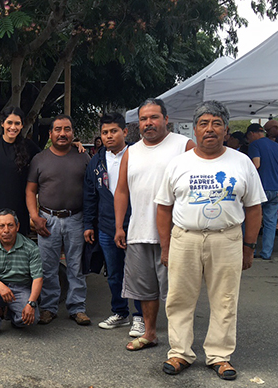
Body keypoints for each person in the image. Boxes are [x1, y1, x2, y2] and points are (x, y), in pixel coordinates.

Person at [156, 101, 265, 380]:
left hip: (226, 238)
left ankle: (219, 356)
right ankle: (180, 352)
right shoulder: (179, 163)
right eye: (204, 123)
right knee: (179, 298)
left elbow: (254, 208)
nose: (210, 129)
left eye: (216, 123)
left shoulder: (241, 162)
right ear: (194, 129)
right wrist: (166, 246)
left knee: (225, 300)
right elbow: (163, 208)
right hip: (185, 238)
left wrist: (249, 246)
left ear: (226, 130)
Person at [114, 98, 195, 351]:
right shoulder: (131, 151)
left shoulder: (184, 146)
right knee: (145, 290)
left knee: (177, 292)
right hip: (138, 233)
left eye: (154, 117)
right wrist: (119, 226)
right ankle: (150, 333)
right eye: (143, 119)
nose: (148, 123)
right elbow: (121, 191)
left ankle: (180, 342)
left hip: (175, 234)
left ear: (166, 119)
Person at [26, 114, 91, 325]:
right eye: (58, 129)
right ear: (50, 133)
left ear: (73, 132)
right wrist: (34, 216)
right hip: (48, 219)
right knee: (48, 267)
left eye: (67, 129)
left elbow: (91, 190)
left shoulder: (83, 156)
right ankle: (48, 307)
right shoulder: (40, 159)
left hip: (76, 218)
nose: (63, 134)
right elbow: (30, 190)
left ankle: (77, 307)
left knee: (76, 266)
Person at [83, 112, 144, 336]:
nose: (109, 136)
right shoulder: (97, 161)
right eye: (105, 132)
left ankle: (140, 317)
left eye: (114, 131)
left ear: (125, 132)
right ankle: (120, 312)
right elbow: (90, 195)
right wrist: (89, 224)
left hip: (136, 224)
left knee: (136, 273)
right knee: (115, 273)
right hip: (107, 227)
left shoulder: (139, 155)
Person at [0, 209, 43, 341]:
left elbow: (38, 278)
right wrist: (0, 286)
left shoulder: (30, 247)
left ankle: (12, 315)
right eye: (1, 226)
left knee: (31, 320)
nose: (6, 230)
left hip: (20, 289)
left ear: (17, 227)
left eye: (10, 225)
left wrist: (31, 303)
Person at [0, 107, 41, 237]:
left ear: (22, 125)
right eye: (9, 123)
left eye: (17, 123)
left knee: (17, 254)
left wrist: (74, 146)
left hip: (18, 207)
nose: (13, 127)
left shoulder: (28, 146)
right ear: (2, 123)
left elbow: (48, 158)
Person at [246, 123, 278, 260]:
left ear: (252, 134)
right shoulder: (277, 146)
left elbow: (256, 164)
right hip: (277, 188)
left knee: (253, 218)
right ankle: (266, 252)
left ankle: (251, 250)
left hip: (261, 188)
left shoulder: (255, 145)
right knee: (271, 222)